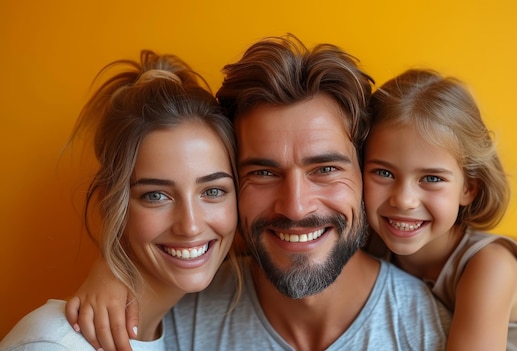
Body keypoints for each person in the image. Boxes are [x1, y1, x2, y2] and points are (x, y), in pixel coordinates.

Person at [65, 34, 451, 351]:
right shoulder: (174, 321)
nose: (296, 206)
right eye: (264, 172)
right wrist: (115, 267)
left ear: (368, 174)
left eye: (326, 169)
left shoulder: (433, 328)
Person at [0, 50, 240, 351]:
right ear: (111, 204)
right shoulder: (53, 344)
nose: (190, 225)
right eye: (156, 196)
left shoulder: (183, 325)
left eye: (213, 191)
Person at [363, 68, 517, 350]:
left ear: (469, 188)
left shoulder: (490, 268)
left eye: (432, 179)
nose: (404, 199)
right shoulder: (366, 246)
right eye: (384, 173)